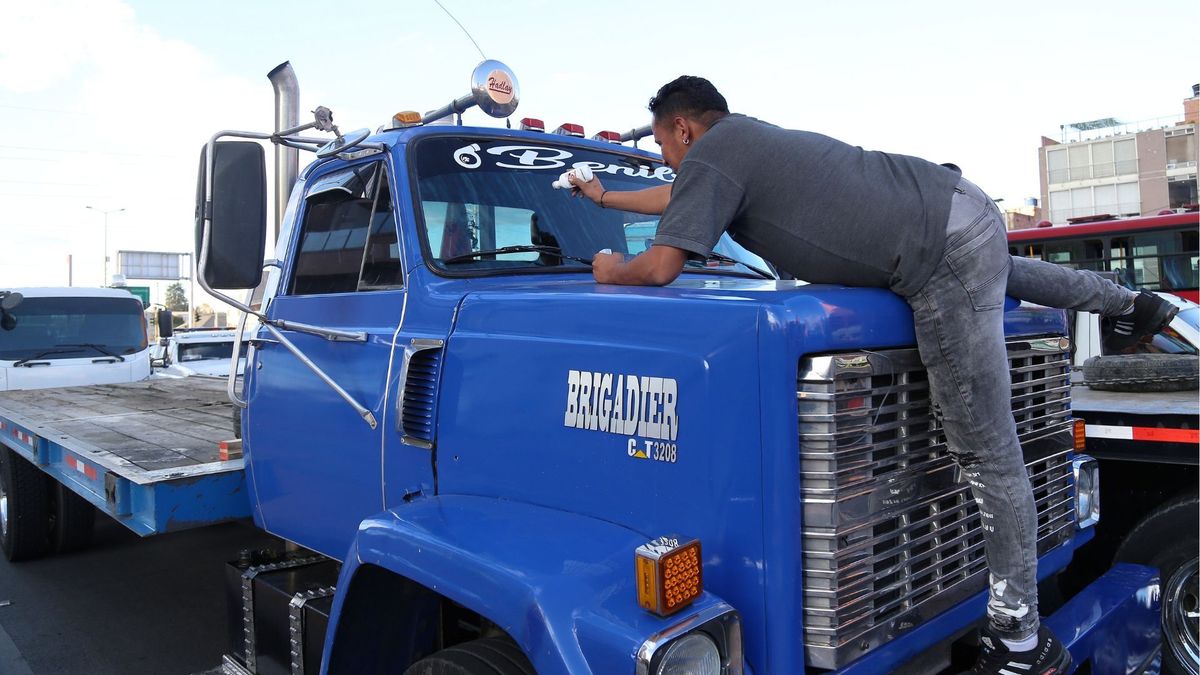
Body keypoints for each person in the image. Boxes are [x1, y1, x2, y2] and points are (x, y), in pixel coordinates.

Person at [569, 75, 1178, 675]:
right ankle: (1131, 303)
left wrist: (608, 269)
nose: (666, 160)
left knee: (989, 453)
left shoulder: (715, 153)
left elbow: (657, 269)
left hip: (939, 250)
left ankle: (1019, 637)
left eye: (662, 147)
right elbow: (677, 201)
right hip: (958, 210)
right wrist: (601, 199)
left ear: (683, 127)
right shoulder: (744, 148)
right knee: (1003, 269)